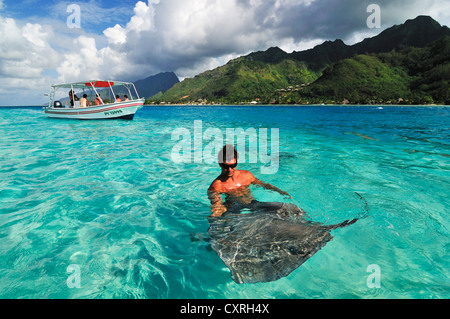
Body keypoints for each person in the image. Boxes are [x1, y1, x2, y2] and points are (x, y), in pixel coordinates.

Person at [208, 144, 292, 217]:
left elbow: (264, 185)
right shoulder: (216, 186)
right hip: (234, 209)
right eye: (226, 166)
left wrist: (280, 192)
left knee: (283, 210)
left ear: (237, 162)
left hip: (253, 203)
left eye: (233, 165)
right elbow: (217, 206)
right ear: (220, 164)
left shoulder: (246, 175)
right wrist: (215, 216)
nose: (230, 169)